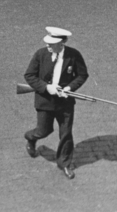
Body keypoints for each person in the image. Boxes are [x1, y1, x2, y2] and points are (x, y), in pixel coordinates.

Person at [24, 28, 89, 180]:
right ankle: (30, 138)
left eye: (52, 43)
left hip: (65, 103)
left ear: (62, 43)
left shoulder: (74, 55)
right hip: (45, 101)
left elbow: (82, 75)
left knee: (66, 134)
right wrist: (47, 88)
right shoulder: (40, 54)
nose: (47, 46)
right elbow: (29, 75)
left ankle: (65, 163)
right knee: (43, 131)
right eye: (47, 42)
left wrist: (69, 88)